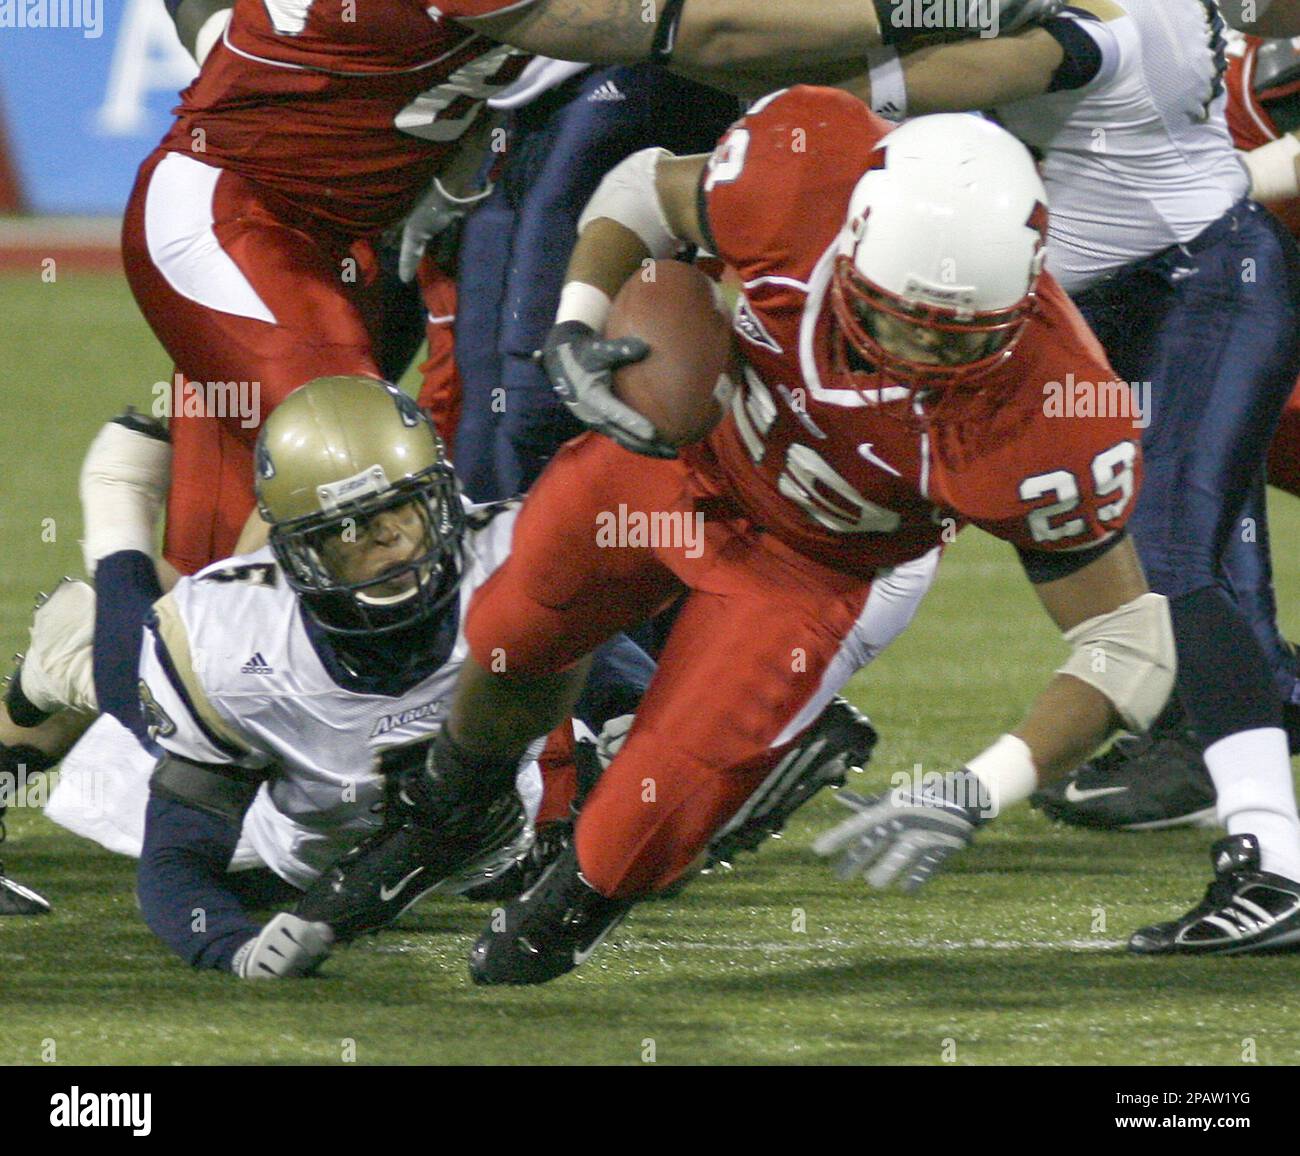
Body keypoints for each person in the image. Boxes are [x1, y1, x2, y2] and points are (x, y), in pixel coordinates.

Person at [289, 94, 1175, 985]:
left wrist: (978, 789)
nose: (916, 353)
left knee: (640, 819)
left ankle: (571, 904)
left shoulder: (1059, 413)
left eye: (955, 340)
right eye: (895, 316)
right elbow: (644, 190)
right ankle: (447, 815)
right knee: (513, 631)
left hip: (816, 565)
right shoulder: (805, 174)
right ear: (855, 236)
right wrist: (577, 317)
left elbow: (1127, 646)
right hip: (682, 463)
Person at [803, 0, 1300, 953]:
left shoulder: (1112, 20)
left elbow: (991, 69)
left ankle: (1272, 865)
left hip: (1199, 291)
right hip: (1072, 313)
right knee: (914, 504)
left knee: (1174, 561)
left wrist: (764, 84)